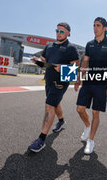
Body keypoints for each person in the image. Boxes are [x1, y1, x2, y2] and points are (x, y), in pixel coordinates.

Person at [28, 22, 79, 152]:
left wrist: (62, 68)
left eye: (62, 31)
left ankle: (41, 139)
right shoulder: (49, 45)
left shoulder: (71, 48)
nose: (58, 33)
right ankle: (61, 121)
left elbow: (75, 70)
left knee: (49, 105)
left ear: (68, 33)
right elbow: (44, 62)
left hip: (61, 82)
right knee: (55, 103)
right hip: (49, 80)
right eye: (57, 31)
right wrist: (37, 60)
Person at [74, 17, 107, 155]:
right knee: (80, 109)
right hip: (88, 81)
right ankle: (87, 126)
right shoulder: (89, 44)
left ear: (104, 28)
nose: (95, 28)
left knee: (95, 112)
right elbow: (85, 63)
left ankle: (91, 140)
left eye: (98, 25)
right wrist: (78, 79)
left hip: (102, 83)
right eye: (93, 25)